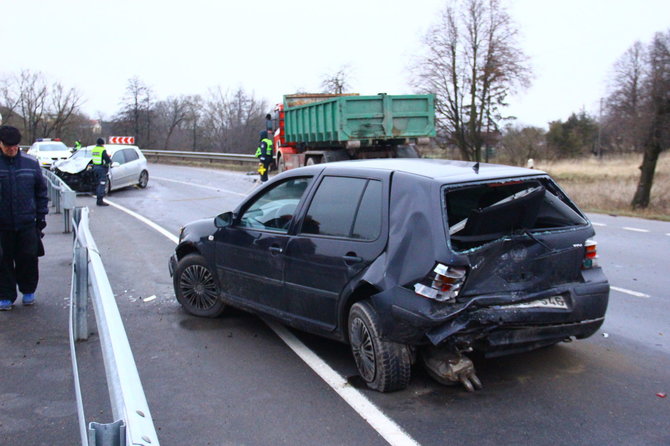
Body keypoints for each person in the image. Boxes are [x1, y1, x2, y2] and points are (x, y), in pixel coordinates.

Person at [0, 125, 49, 311]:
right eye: (7, 146)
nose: (12, 149)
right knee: (3, 262)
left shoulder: (30, 163)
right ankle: (5, 296)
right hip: (2, 225)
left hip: (27, 223)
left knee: (28, 259)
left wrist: (41, 218)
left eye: (15, 145)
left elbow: (41, 192)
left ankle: (28, 291)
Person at [91, 138, 111, 206]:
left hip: (95, 167)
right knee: (102, 184)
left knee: (98, 184)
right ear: (102, 143)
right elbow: (107, 159)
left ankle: (98, 199)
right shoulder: (102, 150)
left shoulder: (94, 149)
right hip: (101, 169)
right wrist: (109, 162)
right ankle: (100, 200)